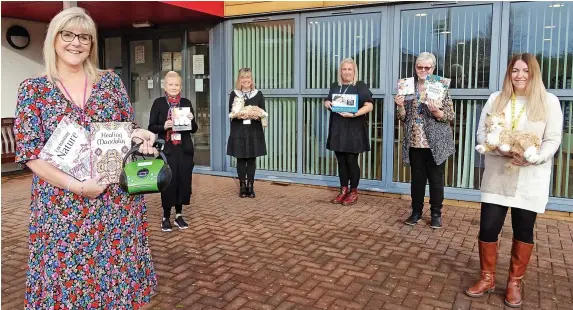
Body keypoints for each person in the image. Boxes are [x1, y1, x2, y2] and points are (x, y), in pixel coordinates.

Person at [13, 7, 157, 309]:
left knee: (115, 277)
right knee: (65, 281)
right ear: (54, 39)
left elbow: (122, 129)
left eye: (84, 37)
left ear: (91, 44)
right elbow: (30, 154)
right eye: (68, 34)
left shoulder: (110, 83)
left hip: (115, 201)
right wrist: (78, 187)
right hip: (62, 207)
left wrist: (141, 135)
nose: (76, 43)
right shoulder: (34, 90)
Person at [465, 53, 562, 308]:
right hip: (498, 174)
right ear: (509, 73)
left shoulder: (548, 102)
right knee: (488, 227)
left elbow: (553, 139)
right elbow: (482, 133)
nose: (519, 75)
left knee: (523, 230)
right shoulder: (496, 99)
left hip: (530, 176)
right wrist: (501, 149)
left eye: (525, 71)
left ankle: (514, 283)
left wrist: (536, 157)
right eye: (515, 70)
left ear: (534, 74)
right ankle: (487, 278)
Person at [394, 52, 455, 229]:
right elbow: (403, 118)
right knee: (417, 180)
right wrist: (400, 107)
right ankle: (416, 212)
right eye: (419, 67)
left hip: (435, 142)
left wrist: (437, 112)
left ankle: (436, 214)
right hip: (415, 142)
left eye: (427, 68)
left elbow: (450, 115)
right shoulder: (407, 87)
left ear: (433, 69)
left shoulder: (440, 87)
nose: (423, 70)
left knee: (436, 180)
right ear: (415, 68)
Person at [148, 71, 198, 232]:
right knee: (168, 182)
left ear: (181, 86)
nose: (174, 87)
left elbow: (195, 129)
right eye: (171, 84)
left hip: (184, 149)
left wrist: (191, 120)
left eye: (177, 84)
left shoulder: (186, 102)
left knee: (183, 181)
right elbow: (151, 126)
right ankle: (165, 216)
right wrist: (164, 126)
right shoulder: (159, 103)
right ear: (165, 86)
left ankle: (178, 215)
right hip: (167, 150)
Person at [324, 58, 374, 206]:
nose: (346, 72)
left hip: (354, 130)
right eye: (344, 69)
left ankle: (353, 192)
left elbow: (369, 105)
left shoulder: (360, 86)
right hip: (338, 129)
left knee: (352, 161)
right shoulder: (335, 86)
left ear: (354, 71)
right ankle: (343, 190)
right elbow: (328, 101)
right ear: (340, 71)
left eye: (349, 69)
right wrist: (326, 103)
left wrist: (354, 114)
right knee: (341, 162)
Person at [226, 68, 267, 198]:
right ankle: (242, 186)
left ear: (251, 79)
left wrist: (257, 115)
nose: (245, 80)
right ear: (239, 80)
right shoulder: (234, 94)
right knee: (240, 158)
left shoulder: (258, 94)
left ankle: (251, 186)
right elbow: (231, 113)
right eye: (243, 77)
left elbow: (263, 112)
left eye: (248, 77)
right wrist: (239, 115)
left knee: (251, 159)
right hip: (238, 130)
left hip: (254, 131)